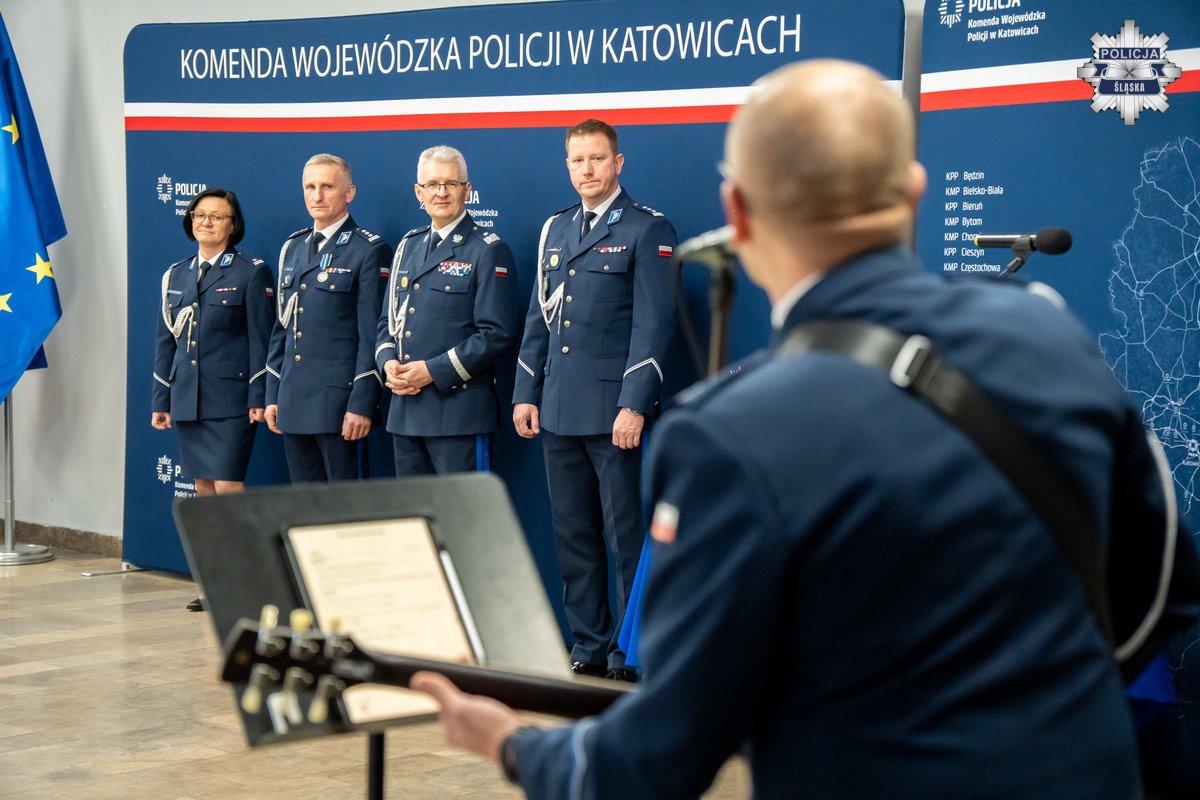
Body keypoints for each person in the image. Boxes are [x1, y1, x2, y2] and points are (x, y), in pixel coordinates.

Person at [412, 60, 1200, 798]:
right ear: (914, 189)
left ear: (738, 214)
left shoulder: (724, 434)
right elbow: (1162, 588)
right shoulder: (1049, 333)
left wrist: (513, 744)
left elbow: (658, 755)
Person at [511, 119, 676, 681]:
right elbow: (539, 318)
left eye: (597, 159)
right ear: (568, 166)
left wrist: (635, 403)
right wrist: (526, 392)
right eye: (577, 160)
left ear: (618, 163)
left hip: (614, 415)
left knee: (624, 536)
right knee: (573, 536)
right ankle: (589, 642)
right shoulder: (555, 229)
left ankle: (629, 651)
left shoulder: (646, 228)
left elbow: (653, 325)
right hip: (558, 408)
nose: (587, 169)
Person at [151, 188, 273, 611]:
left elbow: (261, 340)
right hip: (188, 397)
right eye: (199, 215)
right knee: (203, 488)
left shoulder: (250, 273)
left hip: (232, 398)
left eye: (217, 216)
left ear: (232, 226)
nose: (206, 222)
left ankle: (245, 582)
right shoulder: (175, 275)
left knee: (228, 486)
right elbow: (165, 343)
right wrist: (161, 399)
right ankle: (214, 584)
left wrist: (259, 394)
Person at [375, 146, 519, 475]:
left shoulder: (488, 250)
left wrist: (432, 371)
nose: (441, 192)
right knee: (413, 508)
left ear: (467, 190)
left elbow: (497, 333)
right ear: (419, 192)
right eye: (432, 184)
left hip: (459, 414)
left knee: (463, 510)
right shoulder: (407, 247)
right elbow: (387, 321)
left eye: (451, 184)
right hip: (405, 411)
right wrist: (387, 364)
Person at [265, 154, 392, 482]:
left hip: (340, 405)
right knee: (306, 504)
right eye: (310, 187)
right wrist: (273, 394)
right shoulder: (293, 248)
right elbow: (282, 327)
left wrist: (362, 402)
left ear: (349, 193)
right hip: (293, 401)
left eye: (327, 187)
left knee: (346, 506)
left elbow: (372, 334)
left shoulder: (368, 249)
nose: (317, 196)